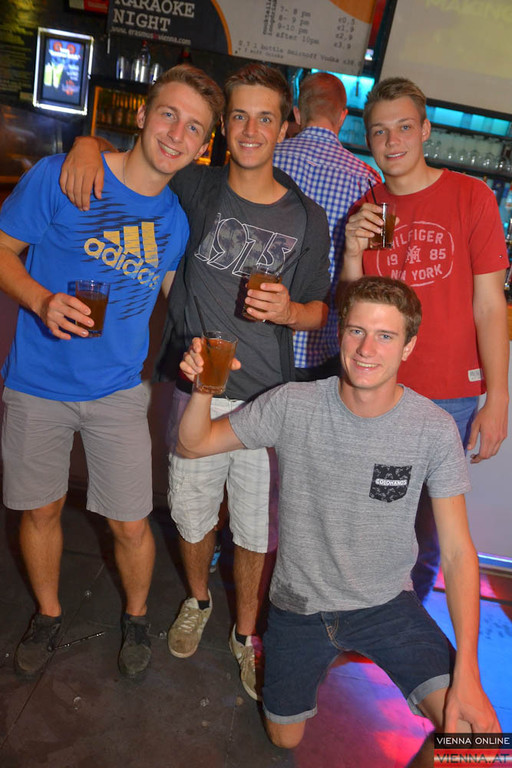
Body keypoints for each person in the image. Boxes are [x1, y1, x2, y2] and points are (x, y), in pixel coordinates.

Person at [60, 62, 331, 700]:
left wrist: (290, 311)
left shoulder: (307, 217)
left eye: (265, 118)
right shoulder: (195, 187)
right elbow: (136, 165)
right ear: (224, 126)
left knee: (257, 531)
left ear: (285, 127)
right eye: (238, 116)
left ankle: (245, 633)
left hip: (268, 401)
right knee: (189, 515)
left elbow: (322, 308)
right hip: (197, 391)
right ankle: (199, 599)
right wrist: (86, 142)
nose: (251, 129)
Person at [175, 275, 500, 751]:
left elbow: (456, 553)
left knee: (473, 740)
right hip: (299, 605)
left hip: (386, 604)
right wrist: (204, 385)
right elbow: (194, 443)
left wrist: (468, 672)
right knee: (284, 740)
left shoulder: (432, 429)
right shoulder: (293, 404)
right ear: (340, 334)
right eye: (357, 331)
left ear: (408, 347)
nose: (367, 349)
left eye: (385, 335)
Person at [0, 64, 224, 679]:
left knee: (130, 522)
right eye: (169, 114)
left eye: (194, 127)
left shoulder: (174, 220)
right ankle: (48, 614)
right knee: (40, 510)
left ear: (204, 145)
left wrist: (205, 346)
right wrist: (41, 300)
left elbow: (178, 298)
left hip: (119, 390)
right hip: (36, 382)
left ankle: (136, 615)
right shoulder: (65, 176)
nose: (176, 134)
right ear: (144, 115)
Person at [340, 77, 509, 602]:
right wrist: (351, 253)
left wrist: (498, 398)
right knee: (365, 512)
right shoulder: (368, 206)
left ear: (426, 130)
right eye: (380, 131)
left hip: (449, 396)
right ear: (368, 138)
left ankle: (404, 620)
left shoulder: (471, 196)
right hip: (376, 388)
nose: (392, 142)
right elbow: (352, 308)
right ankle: (358, 609)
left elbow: (490, 305)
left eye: (404, 128)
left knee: (429, 524)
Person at [273, 71, 381, 380]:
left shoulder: (267, 160)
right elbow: (371, 266)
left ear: (297, 114)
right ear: (343, 116)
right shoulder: (367, 181)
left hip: (257, 338)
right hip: (322, 346)